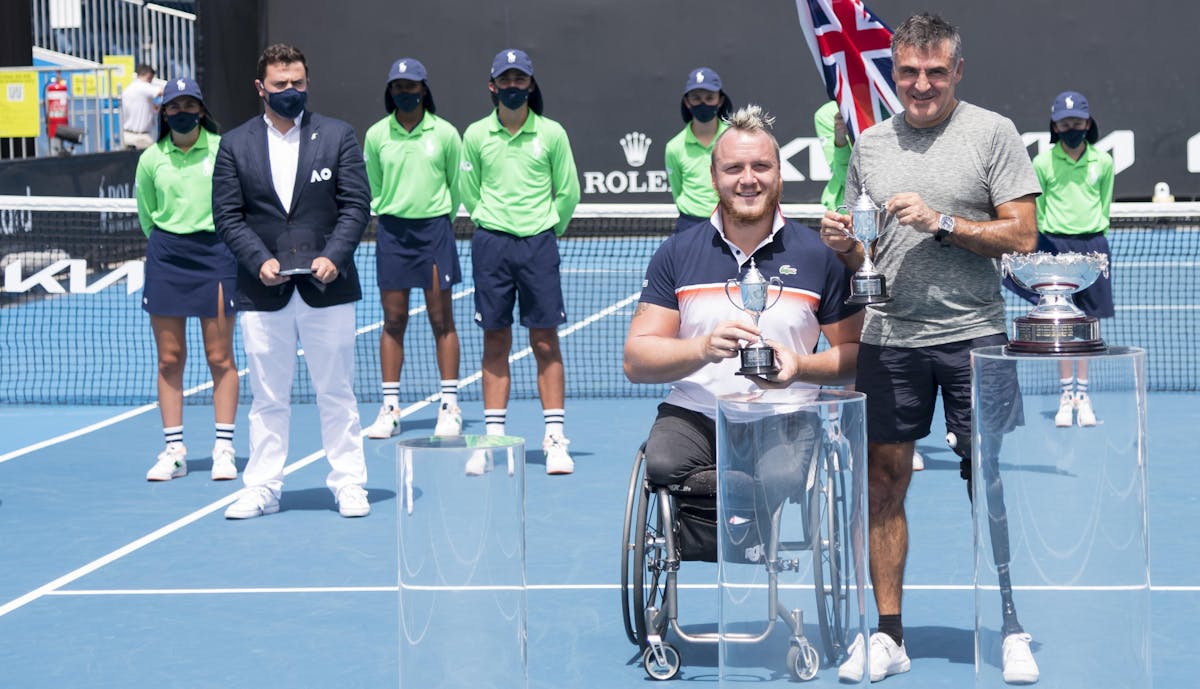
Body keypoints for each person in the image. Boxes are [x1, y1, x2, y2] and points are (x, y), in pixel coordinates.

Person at [818, 14, 1042, 684]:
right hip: (889, 340)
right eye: (909, 72)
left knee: (989, 480)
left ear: (957, 72)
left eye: (935, 72)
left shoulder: (992, 133)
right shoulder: (870, 145)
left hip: (975, 334)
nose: (921, 85)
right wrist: (845, 247)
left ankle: (1011, 626)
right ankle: (888, 634)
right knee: (883, 483)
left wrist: (943, 222)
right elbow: (869, 249)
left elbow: (1024, 236)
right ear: (895, 71)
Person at [624, 103, 863, 533]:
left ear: (779, 175)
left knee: (780, 477)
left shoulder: (819, 256)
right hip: (696, 414)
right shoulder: (677, 254)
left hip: (785, 415)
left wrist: (800, 367)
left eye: (761, 166)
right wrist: (701, 348)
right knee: (661, 463)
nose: (748, 179)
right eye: (734, 168)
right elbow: (637, 359)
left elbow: (857, 355)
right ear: (714, 178)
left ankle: (755, 541)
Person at [212, 44, 372, 519]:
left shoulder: (338, 136)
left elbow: (355, 206)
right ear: (261, 88)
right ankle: (263, 487)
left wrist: (334, 257)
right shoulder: (235, 145)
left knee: (337, 392)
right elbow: (227, 215)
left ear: (307, 83)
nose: (290, 92)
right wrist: (258, 260)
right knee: (267, 397)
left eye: (297, 83)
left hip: (328, 288)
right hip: (263, 292)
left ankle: (349, 484)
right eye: (280, 84)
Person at [458, 48, 580, 475]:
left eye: (520, 80)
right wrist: (493, 222)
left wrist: (545, 228)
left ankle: (554, 439)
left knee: (545, 341)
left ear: (531, 85)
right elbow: (468, 191)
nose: (513, 87)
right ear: (493, 87)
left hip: (538, 246)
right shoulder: (474, 135)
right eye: (505, 81)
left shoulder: (552, 133)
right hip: (492, 245)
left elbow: (567, 192)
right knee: (495, 341)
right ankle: (491, 440)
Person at [135, 77, 238, 482]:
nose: (182, 114)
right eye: (173, 107)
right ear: (163, 113)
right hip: (167, 258)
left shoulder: (222, 149)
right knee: (169, 359)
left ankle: (224, 449)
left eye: (189, 106)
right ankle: (174, 451)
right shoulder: (151, 159)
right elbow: (147, 213)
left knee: (219, 358)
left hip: (215, 256)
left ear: (201, 109)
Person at [815, 99, 926, 472]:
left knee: (887, 333)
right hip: (840, 230)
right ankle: (834, 425)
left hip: (885, 235)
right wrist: (842, 139)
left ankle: (899, 436)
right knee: (841, 336)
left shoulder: (896, 110)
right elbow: (842, 168)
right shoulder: (825, 113)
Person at [361, 57, 464, 440]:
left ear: (424, 89)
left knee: (442, 320)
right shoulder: (376, 136)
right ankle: (390, 408)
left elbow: (456, 187)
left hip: (435, 231)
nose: (406, 92)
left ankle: (449, 404)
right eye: (399, 87)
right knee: (394, 320)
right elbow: (374, 184)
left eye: (412, 86)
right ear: (391, 92)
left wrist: (436, 217)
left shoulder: (447, 133)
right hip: (392, 233)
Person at [1016, 90, 1115, 428]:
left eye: (1077, 121)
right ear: (1055, 127)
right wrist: (1051, 240)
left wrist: (1090, 232)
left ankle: (1083, 395)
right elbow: (1037, 210)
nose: (1072, 127)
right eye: (1064, 122)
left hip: (1093, 247)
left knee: (1087, 324)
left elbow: (1104, 203)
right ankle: (1065, 395)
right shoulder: (1042, 163)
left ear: (1088, 124)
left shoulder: (1103, 162)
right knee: (1059, 321)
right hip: (1056, 245)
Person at [665, 67, 734, 234]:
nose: (703, 103)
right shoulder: (674, 147)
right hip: (690, 224)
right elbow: (677, 189)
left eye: (709, 98)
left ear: (720, 100)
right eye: (696, 98)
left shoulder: (735, 139)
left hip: (730, 221)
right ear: (687, 102)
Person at [121, 64, 160, 150]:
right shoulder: (143, 86)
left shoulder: (128, 89)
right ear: (148, 76)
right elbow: (161, 91)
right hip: (142, 137)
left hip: (127, 135)